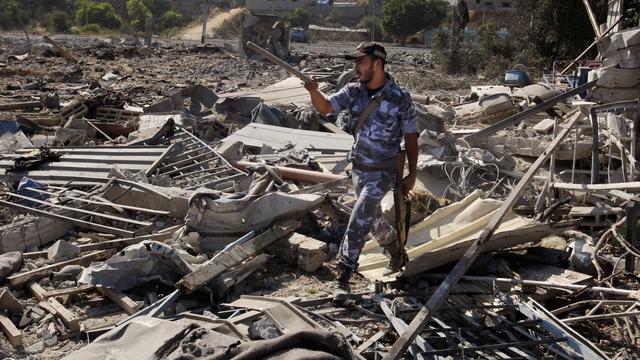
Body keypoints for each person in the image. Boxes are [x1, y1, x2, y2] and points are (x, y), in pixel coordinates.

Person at [303, 42, 419, 288]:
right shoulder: (353, 91)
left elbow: (411, 137)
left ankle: (344, 271)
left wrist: (412, 173)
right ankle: (395, 248)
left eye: (361, 62)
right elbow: (325, 108)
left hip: (384, 170)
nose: (356, 67)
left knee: (359, 215)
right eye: (355, 62)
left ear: (378, 63)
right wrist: (313, 91)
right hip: (359, 168)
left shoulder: (400, 98)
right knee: (373, 220)